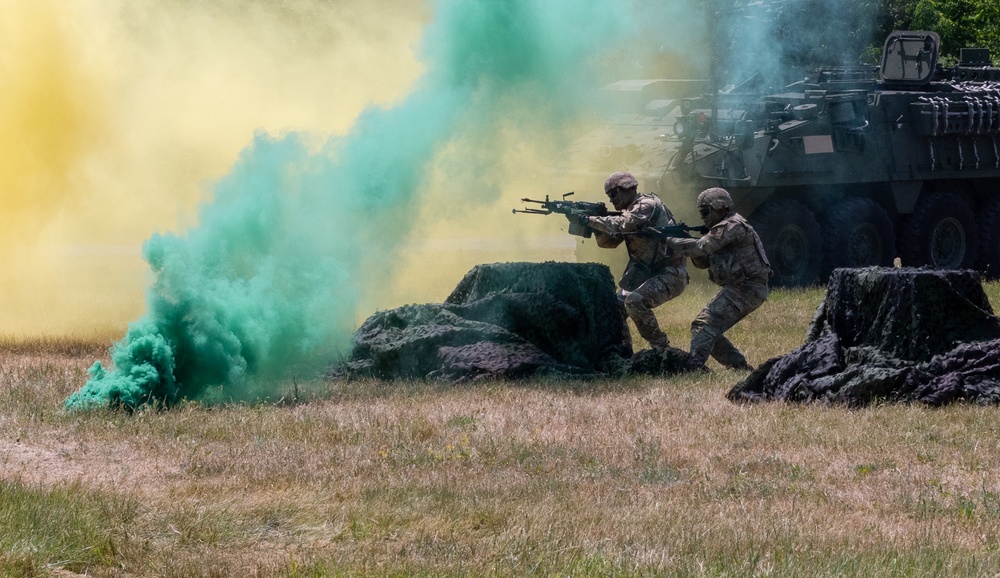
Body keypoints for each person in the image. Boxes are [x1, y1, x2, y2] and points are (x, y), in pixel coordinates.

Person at [575, 171, 688, 352]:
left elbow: (623, 224)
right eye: (609, 196)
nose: (612, 200)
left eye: (613, 194)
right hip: (647, 273)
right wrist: (592, 227)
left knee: (635, 302)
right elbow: (608, 243)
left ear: (627, 188)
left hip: (671, 273)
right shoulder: (629, 212)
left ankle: (662, 349)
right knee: (615, 307)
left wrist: (590, 220)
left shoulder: (647, 205)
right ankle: (623, 351)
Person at [663, 187, 770, 371]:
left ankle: (694, 369)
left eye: (705, 212)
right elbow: (702, 261)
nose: (703, 217)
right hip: (745, 288)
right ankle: (739, 367)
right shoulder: (721, 229)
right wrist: (684, 241)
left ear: (719, 208)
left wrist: (669, 240)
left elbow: (699, 248)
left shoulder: (731, 225)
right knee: (709, 328)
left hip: (747, 288)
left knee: (703, 325)